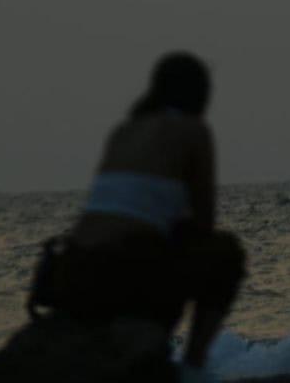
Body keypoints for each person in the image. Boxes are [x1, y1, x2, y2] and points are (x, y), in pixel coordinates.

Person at [50, 52, 245, 378]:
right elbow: (205, 222)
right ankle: (193, 367)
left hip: (72, 269)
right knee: (225, 253)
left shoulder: (124, 130)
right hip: (123, 269)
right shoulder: (193, 130)